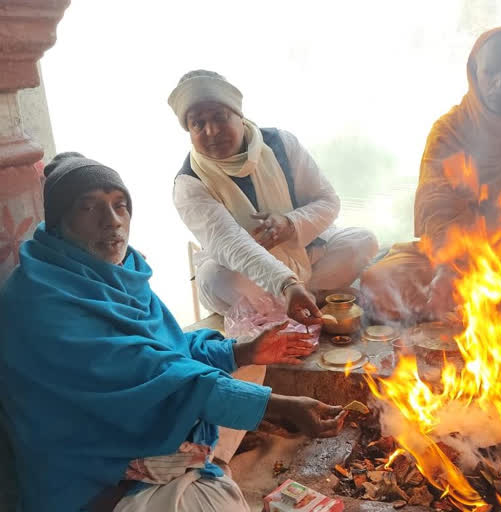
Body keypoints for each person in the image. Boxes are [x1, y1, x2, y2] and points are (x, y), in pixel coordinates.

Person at [0, 152, 346, 511]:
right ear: (59, 223)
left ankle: (205, 462)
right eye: (89, 208)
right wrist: (279, 407)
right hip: (96, 469)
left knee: (249, 370)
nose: (113, 222)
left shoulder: (116, 273)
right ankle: (199, 473)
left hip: (141, 413)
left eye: (120, 206)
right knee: (217, 500)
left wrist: (244, 351)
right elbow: (151, 372)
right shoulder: (41, 302)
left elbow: (169, 348)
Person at [360, 27, 501, 324]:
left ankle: (467, 309)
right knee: (380, 278)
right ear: (474, 72)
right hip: (455, 254)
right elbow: (434, 210)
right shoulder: (449, 129)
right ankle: (499, 309)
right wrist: (448, 264)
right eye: (490, 72)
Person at [169, 70, 378, 318]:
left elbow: (328, 201)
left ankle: (294, 301)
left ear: (239, 114)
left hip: (305, 256)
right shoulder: (189, 182)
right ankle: (306, 296)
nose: (211, 131)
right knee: (214, 278)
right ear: (188, 130)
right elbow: (231, 244)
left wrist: (290, 224)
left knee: (363, 241)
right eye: (198, 124)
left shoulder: (281, 144)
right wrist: (286, 283)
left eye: (220, 117)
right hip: (244, 274)